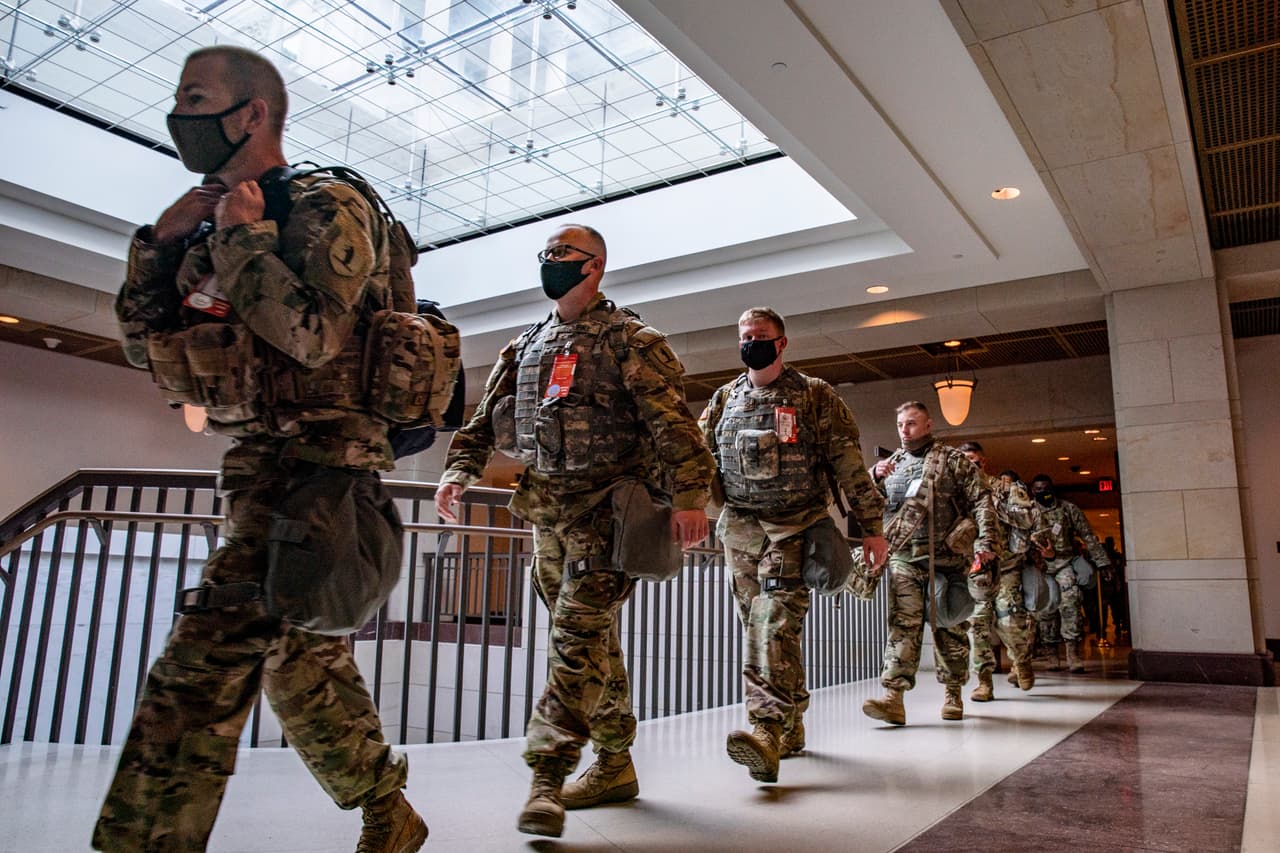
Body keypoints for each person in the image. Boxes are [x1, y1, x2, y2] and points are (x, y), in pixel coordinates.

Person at [97, 47, 425, 853]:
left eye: (195, 97)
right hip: (255, 468)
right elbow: (151, 350)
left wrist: (243, 242)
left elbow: (312, 338)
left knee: (199, 671)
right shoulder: (206, 220)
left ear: (252, 114)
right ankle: (388, 804)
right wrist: (161, 244)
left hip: (317, 472)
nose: (180, 115)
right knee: (299, 666)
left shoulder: (328, 202)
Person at [434, 224, 715, 838]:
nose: (550, 262)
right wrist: (457, 472)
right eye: (547, 254)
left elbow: (675, 426)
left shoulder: (631, 340)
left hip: (608, 517)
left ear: (595, 266)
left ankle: (546, 777)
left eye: (563, 253)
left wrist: (692, 498)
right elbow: (484, 422)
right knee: (593, 645)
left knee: (572, 638)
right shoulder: (527, 345)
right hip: (546, 517)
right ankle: (614, 763)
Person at [699, 307, 887, 783]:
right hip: (740, 532)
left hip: (794, 529)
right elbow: (699, 460)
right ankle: (793, 723)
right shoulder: (725, 398)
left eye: (760, 336)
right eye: (744, 336)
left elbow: (848, 464)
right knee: (764, 633)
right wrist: (684, 512)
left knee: (770, 626)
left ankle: (764, 729)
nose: (750, 343)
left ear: (782, 343)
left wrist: (872, 527)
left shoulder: (815, 396)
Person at [862, 402, 997, 725]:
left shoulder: (951, 461)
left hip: (946, 560)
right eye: (900, 424)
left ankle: (953, 693)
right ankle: (894, 697)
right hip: (905, 559)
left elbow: (981, 499)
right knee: (902, 626)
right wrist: (873, 476)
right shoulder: (891, 463)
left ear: (928, 425)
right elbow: (867, 503)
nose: (904, 430)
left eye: (911, 423)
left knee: (948, 628)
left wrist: (986, 543)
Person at [956, 446, 1051, 699]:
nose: (970, 467)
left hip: (1006, 566)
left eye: (974, 461)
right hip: (975, 570)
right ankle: (984, 681)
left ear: (983, 462)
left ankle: (1021, 662)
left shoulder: (1004, 488)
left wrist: (994, 507)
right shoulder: (955, 493)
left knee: (1010, 620)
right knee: (978, 625)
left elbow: (1030, 518)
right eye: (965, 462)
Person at [1028, 474, 1111, 673]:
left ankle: (1073, 654)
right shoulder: (1027, 511)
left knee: (1071, 603)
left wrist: (1103, 562)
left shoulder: (1067, 509)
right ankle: (1051, 654)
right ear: (1033, 491)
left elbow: (1088, 535)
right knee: (1045, 608)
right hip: (1039, 567)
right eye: (1038, 489)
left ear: (1052, 488)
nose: (1042, 492)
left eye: (1046, 488)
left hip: (1063, 563)